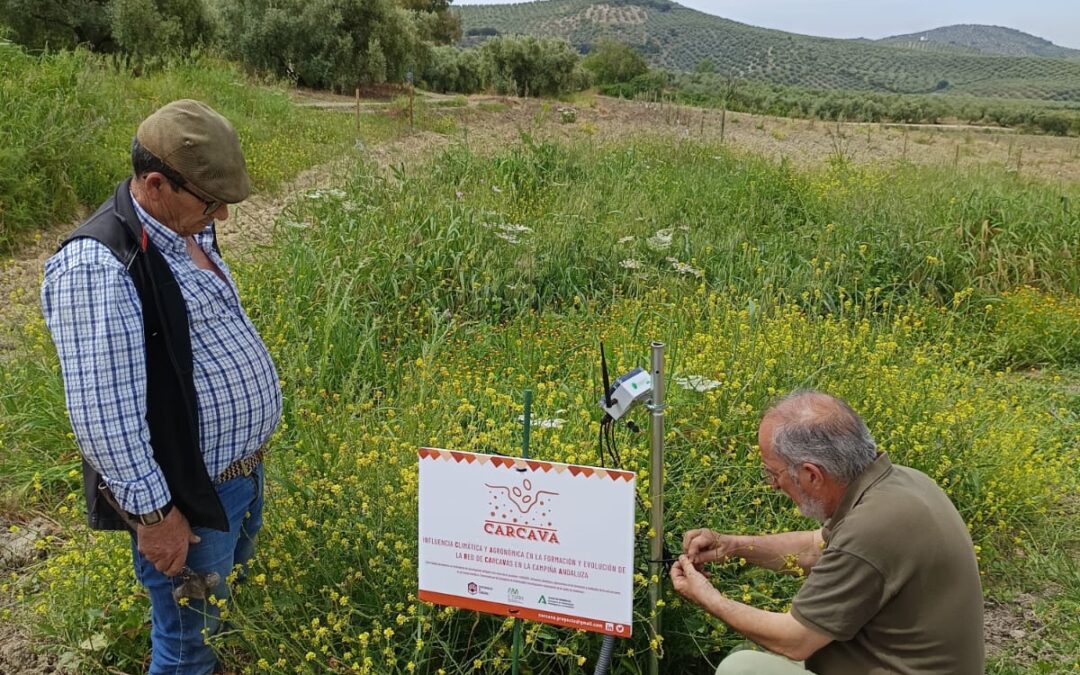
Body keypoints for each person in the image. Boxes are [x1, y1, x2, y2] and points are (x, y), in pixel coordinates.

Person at [41, 99, 282, 674]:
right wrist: (155, 519)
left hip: (235, 479)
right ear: (156, 183)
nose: (221, 216)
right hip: (186, 502)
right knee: (184, 647)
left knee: (213, 619)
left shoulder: (181, 225)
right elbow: (104, 416)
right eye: (211, 202)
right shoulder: (98, 266)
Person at [671, 390, 984, 674]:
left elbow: (795, 641)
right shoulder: (901, 483)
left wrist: (708, 598)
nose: (773, 485)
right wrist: (733, 546)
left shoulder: (871, 530)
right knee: (755, 651)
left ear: (811, 475)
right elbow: (814, 548)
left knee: (741, 668)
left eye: (773, 472)